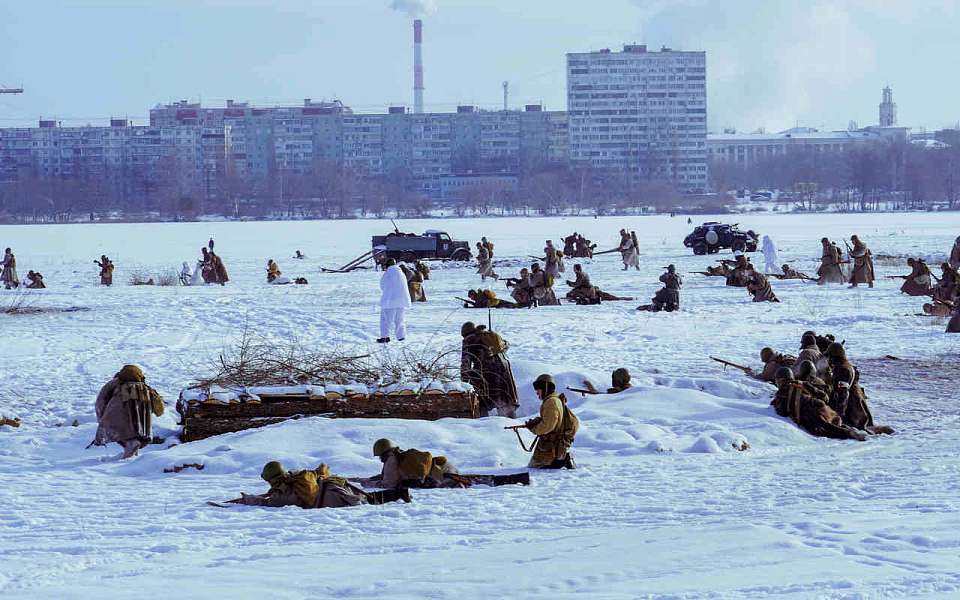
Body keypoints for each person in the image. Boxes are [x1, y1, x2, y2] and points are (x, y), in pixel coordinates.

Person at [235, 461, 409, 508]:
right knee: (368, 498)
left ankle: (398, 494)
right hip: (333, 485)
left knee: (367, 501)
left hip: (332, 497)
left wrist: (250, 500)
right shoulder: (294, 478)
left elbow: (273, 502)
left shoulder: (289, 488)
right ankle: (399, 494)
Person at [771, 368, 866, 441]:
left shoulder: (782, 392)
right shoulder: (802, 383)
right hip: (820, 406)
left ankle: (849, 433)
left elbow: (782, 412)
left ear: (781, 380)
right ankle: (850, 430)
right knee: (832, 423)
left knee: (825, 430)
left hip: (808, 411)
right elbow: (823, 396)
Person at [93, 364, 165, 459]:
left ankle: (130, 452)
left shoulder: (113, 383)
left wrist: (101, 418)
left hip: (117, 415)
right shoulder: (146, 388)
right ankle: (131, 454)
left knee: (122, 436)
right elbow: (159, 409)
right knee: (136, 436)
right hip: (141, 422)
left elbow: (100, 401)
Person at [825, 343, 893, 435]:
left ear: (834, 356)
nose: (828, 359)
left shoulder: (842, 369)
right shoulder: (845, 366)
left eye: (829, 356)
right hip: (855, 401)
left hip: (853, 405)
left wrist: (838, 416)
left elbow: (843, 394)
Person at [460, 321, 520, 418]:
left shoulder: (469, 340)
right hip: (504, 369)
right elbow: (506, 345)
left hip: (487, 373)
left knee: (482, 401)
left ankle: (485, 425)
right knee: (505, 400)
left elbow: (465, 363)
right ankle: (511, 422)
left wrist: (464, 383)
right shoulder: (489, 335)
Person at [524, 374, 579, 469]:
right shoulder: (555, 399)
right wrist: (538, 421)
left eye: (538, 388)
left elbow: (548, 426)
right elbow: (552, 420)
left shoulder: (551, 402)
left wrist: (534, 428)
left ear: (546, 387)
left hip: (551, 445)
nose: (536, 392)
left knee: (535, 467)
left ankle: (563, 460)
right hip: (554, 443)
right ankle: (562, 459)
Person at [367, 439, 461, 489]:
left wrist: (369, 483)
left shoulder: (391, 460)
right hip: (444, 471)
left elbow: (389, 484)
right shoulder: (400, 455)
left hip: (441, 475)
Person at [378, 258, 411, 343]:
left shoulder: (388, 273)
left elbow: (382, 285)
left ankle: (385, 337)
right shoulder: (401, 272)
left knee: (386, 319)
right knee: (400, 319)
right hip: (402, 300)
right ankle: (401, 336)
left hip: (390, 300)